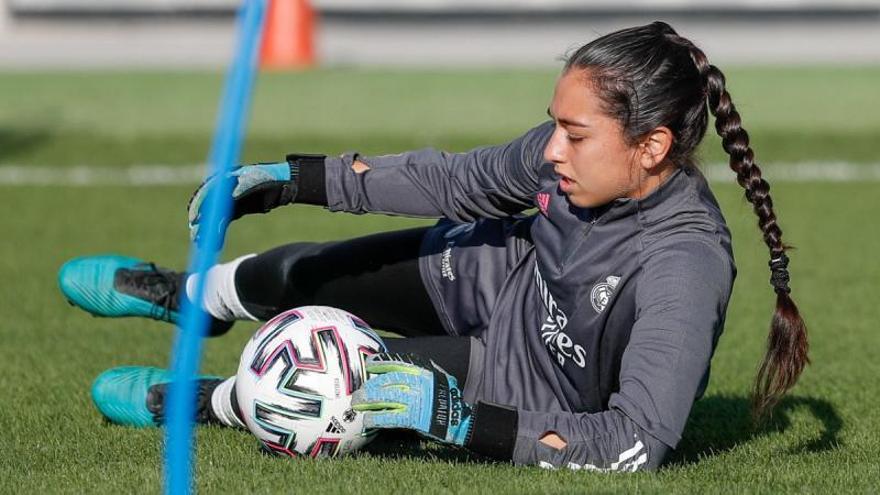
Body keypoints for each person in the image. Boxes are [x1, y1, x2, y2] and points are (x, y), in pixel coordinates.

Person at [59, 22, 809, 472]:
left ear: (652, 146)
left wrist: (463, 422)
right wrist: (297, 179)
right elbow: (456, 180)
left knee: (338, 394)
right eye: (553, 121)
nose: (551, 147)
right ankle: (192, 296)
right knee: (303, 270)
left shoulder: (685, 264)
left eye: (576, 134)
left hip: (519, 379)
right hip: (490, 273)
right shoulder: (563, 160)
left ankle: (209, 401)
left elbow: (637, 442)